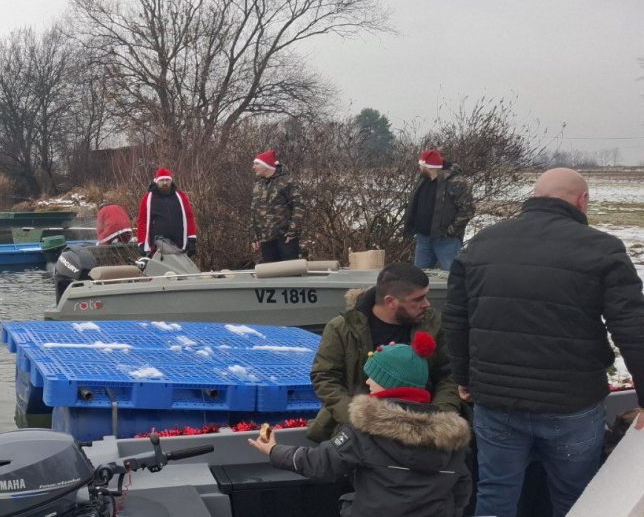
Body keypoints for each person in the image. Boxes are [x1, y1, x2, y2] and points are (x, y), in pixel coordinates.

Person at [444, 167, 644, 517]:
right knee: (577, 498)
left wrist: (464, 377)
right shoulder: (603, 249)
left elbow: (457, 321)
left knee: (495, 494)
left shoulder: (480, 244)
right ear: (582, 201)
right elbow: (633, 328)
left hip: (496, 399)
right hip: (571, 402)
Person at [249, 333, 472, 517]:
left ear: (388, 383)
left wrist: (274, 451)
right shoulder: (451, 437)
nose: (367, 381)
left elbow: (321, 464)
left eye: (373, 376)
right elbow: (462, 485)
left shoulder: (367, 428)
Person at [306, 263, 461, 443]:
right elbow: (324, 377)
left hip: (421, 428)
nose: (427, 304)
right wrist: (359, 418)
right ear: (390, 302)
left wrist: (437, 419)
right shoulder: (342, 328)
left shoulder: (434, 325)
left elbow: (450, 375)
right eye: (418, 299)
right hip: (358, 429)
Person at [403, 150, 474, 271]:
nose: (419, 167)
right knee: (419, 278)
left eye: (421, 165)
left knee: (452, 278)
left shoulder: (456, 182)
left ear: (430, 168)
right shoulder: (422, 179)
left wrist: (451, 232)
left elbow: (467, 209)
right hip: (423, 239)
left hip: (446, 241)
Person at [249, 149, 305, 262]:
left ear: (267, 165)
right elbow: (254, 211)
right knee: (271, 276)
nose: (253, 167)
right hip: (266, 240)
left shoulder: (287, 181)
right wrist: (254, 236)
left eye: (257, 163)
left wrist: (292, 231)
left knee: (290, 274)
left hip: (286, 239)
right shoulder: (258, 185)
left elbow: (299, 206)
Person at [135, 167, 198, 256]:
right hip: (157, 248)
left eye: (167, 180)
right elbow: (143, 221)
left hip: (179, 246)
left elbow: (189, 217)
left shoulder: (180, 196)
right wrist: (142, 243)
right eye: (162, 180)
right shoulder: (148, 198)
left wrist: (192, 239)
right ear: (156, 181)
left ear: (171, 181)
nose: (165, 182)